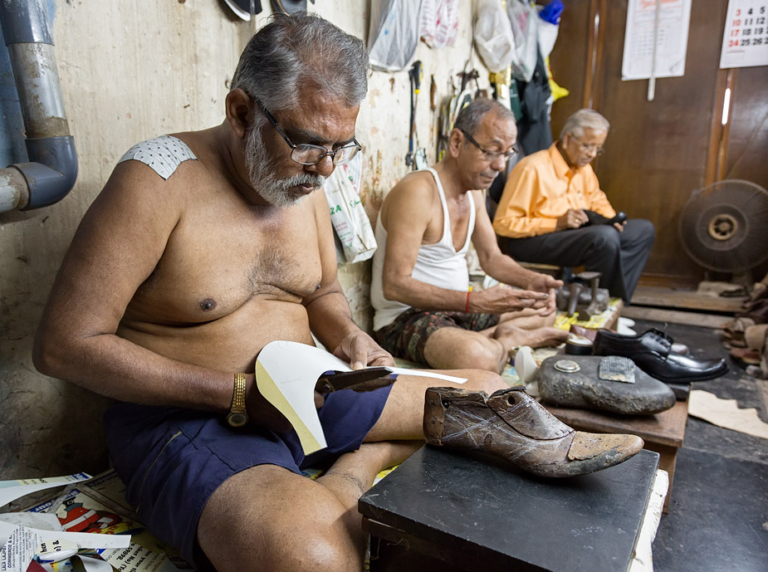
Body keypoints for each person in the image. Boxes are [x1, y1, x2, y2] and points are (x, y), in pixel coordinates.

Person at [33, 15, 508, 572]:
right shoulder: (154, 180)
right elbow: (63, 346)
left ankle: (353, 464)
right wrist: (234, 394)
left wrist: (352, 341)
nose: (326, 169)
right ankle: (349, 471)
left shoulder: (299, 182)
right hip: (189, 420)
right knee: (313, 559)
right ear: (240, 112)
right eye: (308, 144)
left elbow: (323, 292)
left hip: (312, 391)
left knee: (493, 400)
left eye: (341, 146)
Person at [371, 98, 568, 374]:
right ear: (456, 142)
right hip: (406, 317)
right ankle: (506, 339)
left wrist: (533, 281)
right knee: (478, 359)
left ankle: (499, 340)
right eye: (490, 151)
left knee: (544, 312)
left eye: (507, 153)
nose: (500, 165)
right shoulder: (418, 191)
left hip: (460, 311)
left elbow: (491, 258)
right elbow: (394, 285)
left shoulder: (474, 192)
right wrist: (474, 301)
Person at [492, 109, 655, 301]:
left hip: (571, 235)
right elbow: (503, 224)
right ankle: (602, 304)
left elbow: (597, 201)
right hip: (531, 241)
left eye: (597, 148)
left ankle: (613, 301)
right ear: (568, 139)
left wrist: (611, 220)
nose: (592, 154)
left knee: (642, 231)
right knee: (604, 238)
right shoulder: (532, 168)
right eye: (587, 146)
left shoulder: (583, 169)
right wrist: (555, 223)